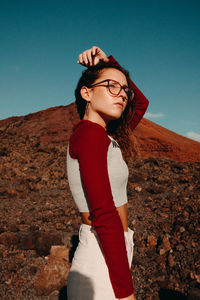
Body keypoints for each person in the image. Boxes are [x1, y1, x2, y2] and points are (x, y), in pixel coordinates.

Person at [67, 46, 149, 300]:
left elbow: (141, 104)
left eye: (124, 89)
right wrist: (126, 293)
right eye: (112, 86)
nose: (122, 95)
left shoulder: (105, 136)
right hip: (99, 253)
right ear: (87, 93)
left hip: (111, 248)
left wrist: (109, 62)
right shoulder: (89, 134)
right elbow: (103, 212)